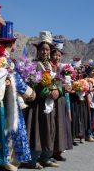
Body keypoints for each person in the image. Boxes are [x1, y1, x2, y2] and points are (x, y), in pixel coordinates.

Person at [0, 21, 36, 170]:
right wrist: (30, 92)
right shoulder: (5, 60)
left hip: (4, 99)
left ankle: (4, 161)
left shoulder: (1, 57)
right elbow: (16, 80)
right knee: (12, 131)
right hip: (8, 102)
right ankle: (9, 163)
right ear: (12, 43)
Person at [23, 31, 59, 169]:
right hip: (37, 104)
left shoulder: (50, 66)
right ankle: (33, 159)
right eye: (42, 49)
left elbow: (57, 81)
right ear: (38, 50)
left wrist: (57, 90)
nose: (45, 52)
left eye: (47, 49)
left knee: (49, 129)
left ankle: (46, 157)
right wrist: (46, 91)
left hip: (49, 104)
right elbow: (30, 83)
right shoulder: (33, 65)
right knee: (36, 130)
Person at [49, 40, 73, 161]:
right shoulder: (48, 67)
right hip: (52, 98)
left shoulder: (64, 68)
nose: (57, 57)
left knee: (61, 124)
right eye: (55, 55)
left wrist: (68, 86)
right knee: (53, 124)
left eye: (59, 55)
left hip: (62, 99)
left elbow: (67, 82)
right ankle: (50, 151)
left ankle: (58, 151)